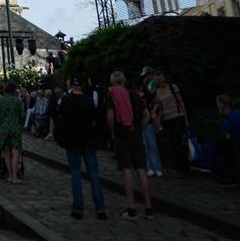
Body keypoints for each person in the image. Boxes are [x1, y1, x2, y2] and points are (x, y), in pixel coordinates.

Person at [53, 76, 106, 219]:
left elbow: (60, 121)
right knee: (94, 175)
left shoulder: (66, 100)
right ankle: (100, 209)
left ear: (71, 85)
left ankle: (78, 209)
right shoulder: (88, 101)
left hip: (72, 142)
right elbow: (95, 122)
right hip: (88, 142)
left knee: (76, 174)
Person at [106, 70, 154, 219]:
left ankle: (131, 208)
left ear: (113, 81)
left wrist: (113, 133)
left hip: (122, 135)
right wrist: (140, 128)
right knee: (141, 169)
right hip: (136, 135)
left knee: (126, 169)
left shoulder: (112, 94)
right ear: (124, 81)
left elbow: (110, 116)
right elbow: (147, 115)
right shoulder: (134, 95)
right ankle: (148, 207)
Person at [150, 70, 189, 177]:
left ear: (164, 77)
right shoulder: (157, 92)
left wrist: (185, 118)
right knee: (172, 143)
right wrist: (156, 119)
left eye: (160, 77)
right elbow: (159, 107)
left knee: (177, 142)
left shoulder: (172, 87)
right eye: (157, 79)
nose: (159, 80)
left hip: (177, 116)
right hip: (166, 119)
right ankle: (179, 168)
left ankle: (184, 169)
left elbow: (180, 102)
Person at [212, 95, 240, 186]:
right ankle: (226, 175)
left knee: (220, 146)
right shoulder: (231, 115)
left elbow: (223, 130)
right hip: (237, 143)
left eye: (218, 104)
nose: (217, 106)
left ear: (223, 105)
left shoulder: (234, 115)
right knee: (219, 144)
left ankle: (228, 176)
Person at [0, 82, 26, 183]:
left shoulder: (0, 101)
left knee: (7, 153)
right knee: (16, 152)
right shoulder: (16, 101)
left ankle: (10, 176)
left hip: (4, 129)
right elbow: (22, 115)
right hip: (15, 128)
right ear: (14, 90)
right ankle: (15, 177)